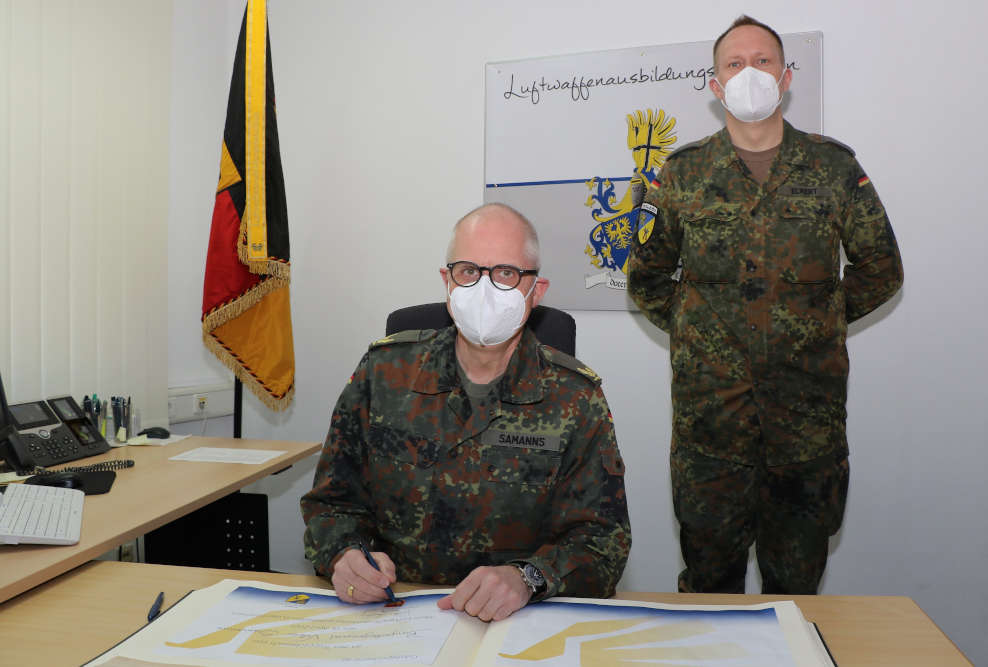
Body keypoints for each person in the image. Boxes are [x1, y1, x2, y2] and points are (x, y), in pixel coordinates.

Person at [627, 15, 902, 594]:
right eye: (734, 64)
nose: (749, 72)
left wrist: (817, 322)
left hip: (805, 426)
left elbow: (881, 269)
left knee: (797, 592)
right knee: (708, 589)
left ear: (786, 76)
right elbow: (646, 277)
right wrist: (699, 328)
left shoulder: (834, 168)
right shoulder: (682, 173)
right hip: (711, 427)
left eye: (762, 61)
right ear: (715, 84)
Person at [302, 203, 631, 620]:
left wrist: (528, 578)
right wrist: (344, 554)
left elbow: (603, 543)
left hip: (518, 619)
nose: (485, 288)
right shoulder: (383, 374)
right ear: (448, 281)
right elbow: (331, 505)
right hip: (396, 612)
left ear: (537, 291)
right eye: (469, 271)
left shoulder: (576, 398)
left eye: (506, 274)